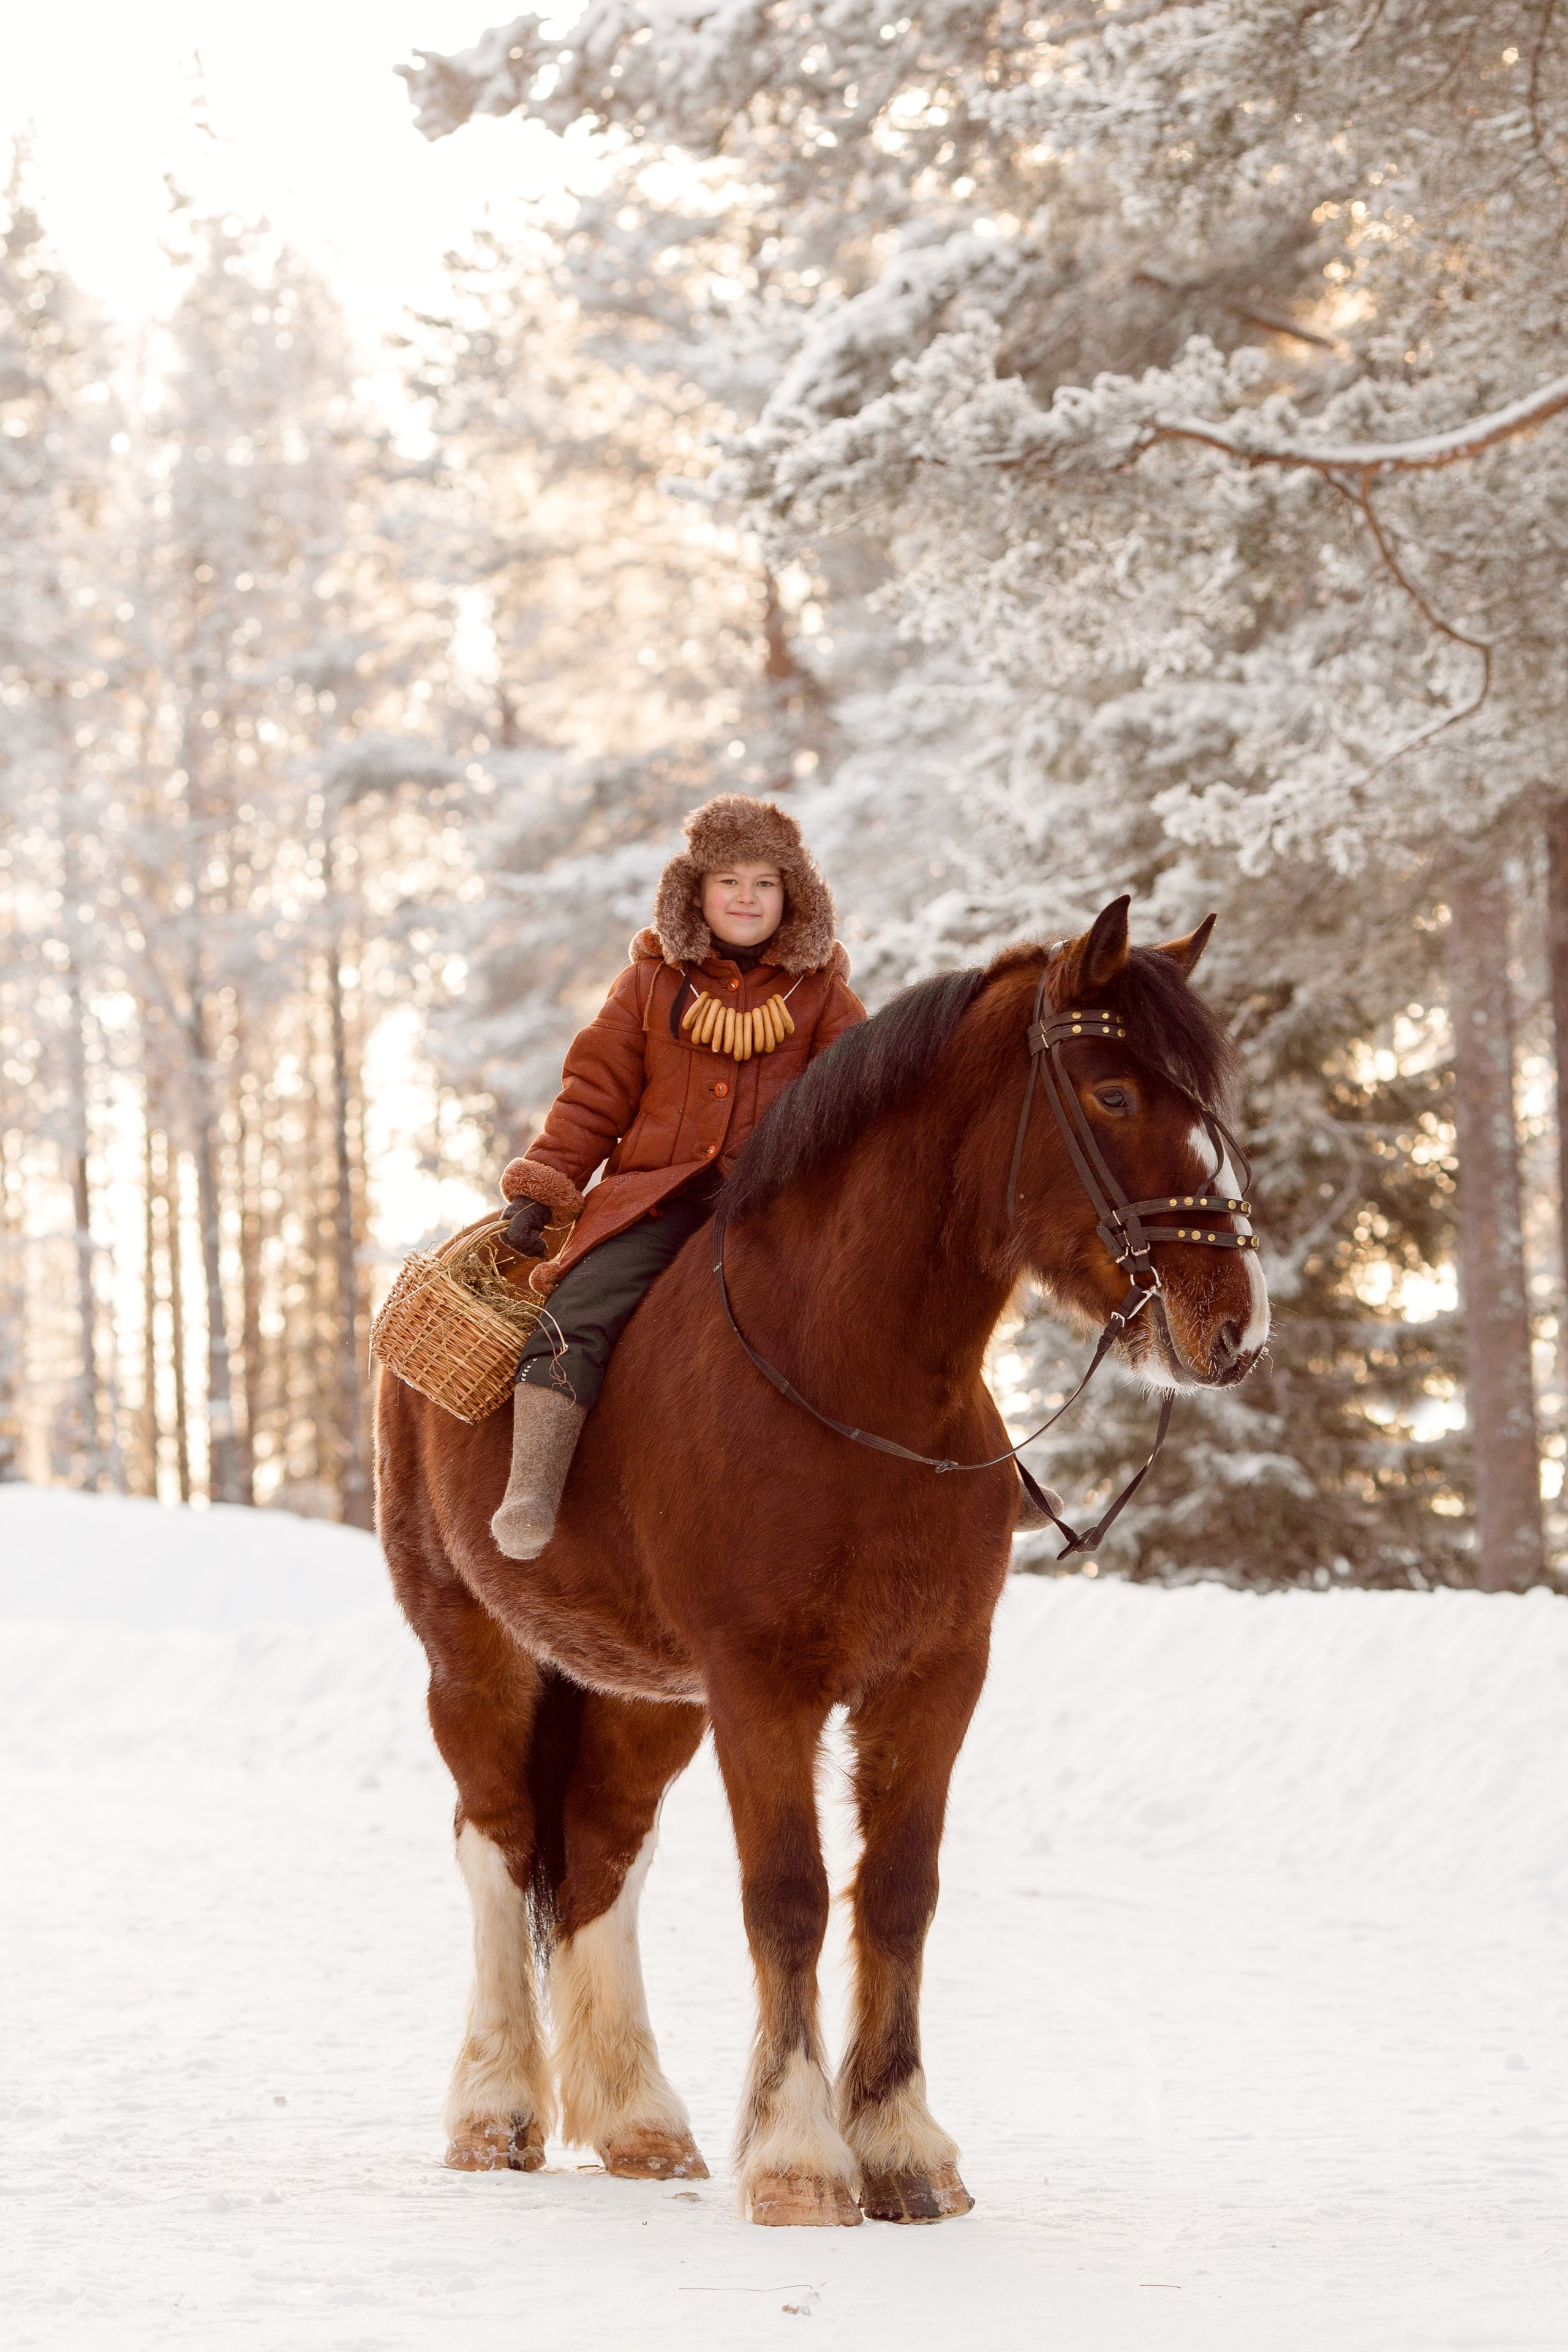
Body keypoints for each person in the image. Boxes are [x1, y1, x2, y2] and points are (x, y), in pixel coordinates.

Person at [490, 793, 865, 1559]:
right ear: (695, 893)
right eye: (729, 881)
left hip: (774, 1210)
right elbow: (593, 1098)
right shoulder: (648, 989)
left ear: (792, 897)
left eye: (765, 883)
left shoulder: (823, 998)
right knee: (580, 1309)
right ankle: (533, 1487)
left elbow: (863, 1107)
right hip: (651, 1204)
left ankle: (990, 1476)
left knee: (877, 1305)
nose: (747, 898)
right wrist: (544, 1188)